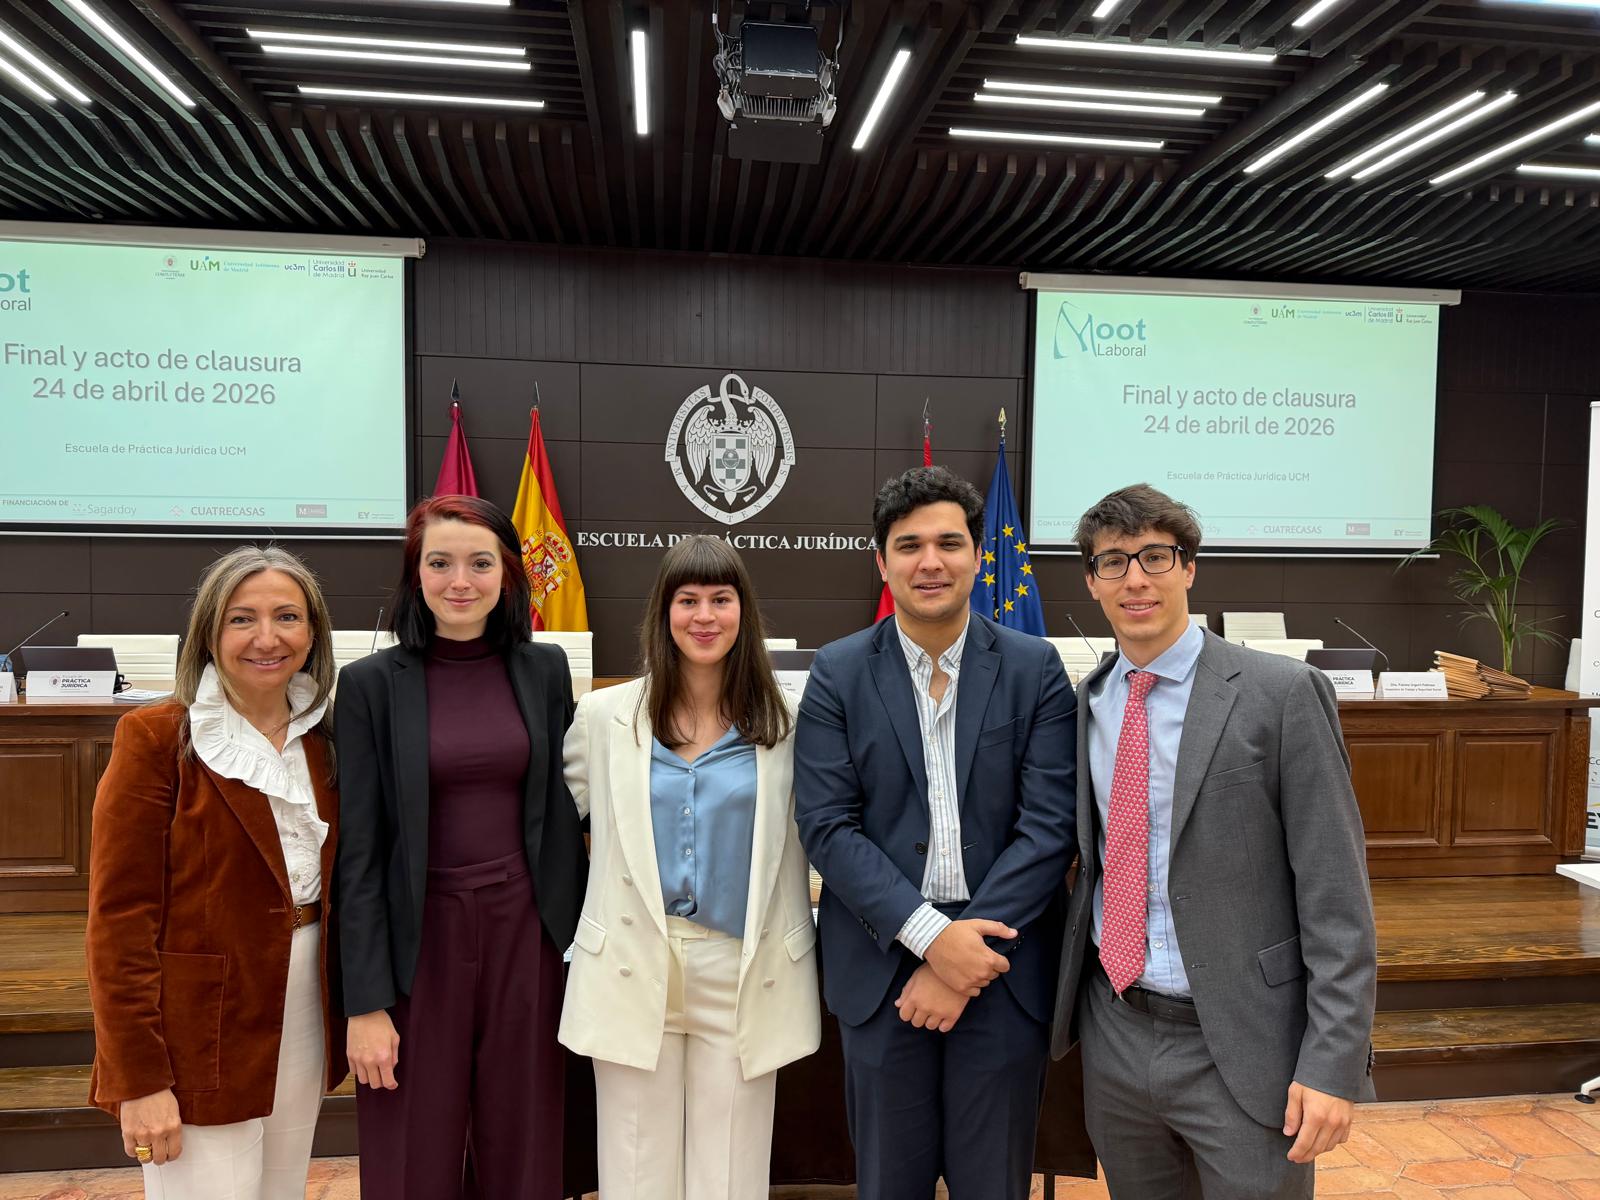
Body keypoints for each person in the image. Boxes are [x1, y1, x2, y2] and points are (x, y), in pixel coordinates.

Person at [1049, 483, 1377, 1200]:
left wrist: (1333, 1064)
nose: (1135, 578)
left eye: (1155, 557)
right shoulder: (1087, 703)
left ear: (1189, 568)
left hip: (1244, 1041)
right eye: (1113, 562)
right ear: (1091, 581)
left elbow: (1337, 895)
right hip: (1118, 1032)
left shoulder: (1282, 693)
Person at [794, 465, 1076, 1200]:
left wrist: (965, 950)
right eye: (909, 545)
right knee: (890, 1185)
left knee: (994, 1186)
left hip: (1003, 970)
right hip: (886, 972)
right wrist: (929, 939)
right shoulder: (839, 672)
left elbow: (1049, 827)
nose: (931, 561)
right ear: (880, 561)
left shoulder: (1033, 668)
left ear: (978, 555)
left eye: (950, 543)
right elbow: (828, 827)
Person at [335, 495, 587, 1199]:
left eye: (480, 564)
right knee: (412, 1150)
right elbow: (358, 853)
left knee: (527, 1145)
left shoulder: (544, 670)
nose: (459, 581)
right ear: (414, 574)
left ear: (507, 574)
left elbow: (565, 814)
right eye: (438, 563)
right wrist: (365, 1003)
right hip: (418, 946)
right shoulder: (369, 687)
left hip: (527, 934)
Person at [559, 534, 820, 1200]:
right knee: (635, 1168)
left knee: (729, 1175)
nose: (705, 616)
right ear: (663, 612)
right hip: (631, 960)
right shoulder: (602, 717)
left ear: (744, 611)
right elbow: (552, 832)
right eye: (688, 600)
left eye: (721, 599)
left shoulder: (791, 721)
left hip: (743, 967)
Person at [86, 545, 346, 1199]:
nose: (267, 637)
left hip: (307, 1005)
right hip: (197, 1022)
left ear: (313, 632)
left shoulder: (331, 739)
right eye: (241, 619)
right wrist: (139, 1079)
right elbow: (117, 923)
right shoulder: (155, 738)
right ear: (208, 632)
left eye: (287, 616)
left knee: (280, 1190)